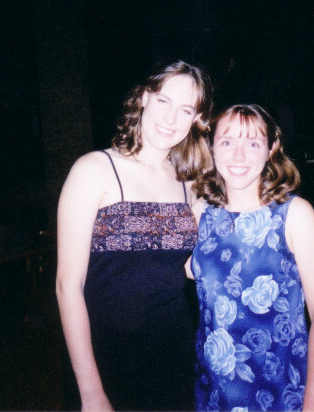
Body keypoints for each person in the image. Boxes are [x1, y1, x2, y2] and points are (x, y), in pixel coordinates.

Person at [56, 60, 213, 412]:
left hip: (172, 351)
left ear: (196, 119)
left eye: (185, 109)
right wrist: (91, 392)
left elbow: (190, 269)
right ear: (143, 98)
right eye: (163, 101)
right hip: (104, 354)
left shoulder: (190, 184)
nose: (171, 118)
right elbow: (68, 286)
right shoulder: (94, 169)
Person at [189, 104, 314, 411]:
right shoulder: (199, 213)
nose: (239, 155)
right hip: (213, 390)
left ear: (271, 150)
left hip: (281, 389)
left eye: (253, 143)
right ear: (211, 148)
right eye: (227, 142)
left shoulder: (295, 215)